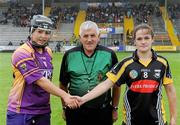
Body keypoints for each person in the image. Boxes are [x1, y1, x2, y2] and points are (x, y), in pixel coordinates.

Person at [79, 24, 177, 125]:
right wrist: (83, 99)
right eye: (139, 39)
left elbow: (170, 91)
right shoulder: (125, 64)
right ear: (134, 41)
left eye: (146, 38)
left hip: (158, 121)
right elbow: (106, 84)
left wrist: (173, 118)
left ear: (152, 39)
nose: (143, 42)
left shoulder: (162, 63)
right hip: (131, 121)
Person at [6, 15, 78, 125]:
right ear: (31, 31)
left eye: (47, 32)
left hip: (43, 111)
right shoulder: (22, 52)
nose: (43, 36)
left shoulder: (48, 51)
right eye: (39, 31)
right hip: (21, 111)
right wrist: (65, 95)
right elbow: (40, 80)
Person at [59, 20, 120, 125]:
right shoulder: (69, 55)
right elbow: (63, 84)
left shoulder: (109, 54)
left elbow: (116, 85)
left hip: (102, 111)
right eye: (85, 36)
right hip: (75, 111)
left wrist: (114, 108)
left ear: (98, 36)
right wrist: (65, 107)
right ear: (80, 37)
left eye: (93, 35)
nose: (89, 39)